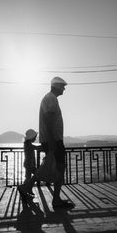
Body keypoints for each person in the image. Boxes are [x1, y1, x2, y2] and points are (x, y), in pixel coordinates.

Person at [39, 76, 74, 208]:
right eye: (63, 86)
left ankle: (26, 187)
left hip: (51, 139)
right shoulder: (51, 99)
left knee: (48, 167)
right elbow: (48, 119)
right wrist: (53, 140)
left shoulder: (48, 98)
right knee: (60, 168)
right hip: (53, 140)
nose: (64, 89)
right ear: (57, 86)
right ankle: (56, 201)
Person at [18, 129, 41, 201]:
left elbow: (35, 148)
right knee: (37, 174)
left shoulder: (27, 143)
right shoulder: (28, 144)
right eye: (34, 137)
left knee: (28, 178)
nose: (35, 138)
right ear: (31, 137)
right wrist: (45, 146)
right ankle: (23, 188)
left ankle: (26, 191)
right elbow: (36, 148)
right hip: (29, 164)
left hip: (28, 163)